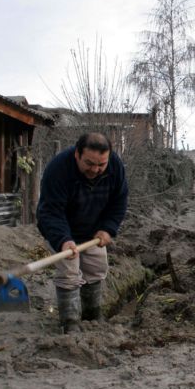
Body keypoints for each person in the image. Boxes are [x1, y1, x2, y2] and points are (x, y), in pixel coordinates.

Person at [36, 132, 128, 334]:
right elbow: (50, 211)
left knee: (96, 268)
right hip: (62, 228)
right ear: (77, 154)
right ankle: (70, 323)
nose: (95, 170)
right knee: (69, 272)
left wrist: (108, 227)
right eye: (90, 163)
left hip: (93, 231)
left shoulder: (115, 167)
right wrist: (63, 240)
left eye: (101, 165)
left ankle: (91, 316)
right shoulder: (58, 169)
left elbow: (119, 202)